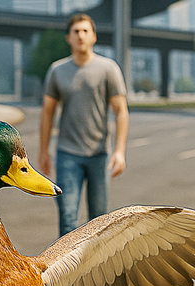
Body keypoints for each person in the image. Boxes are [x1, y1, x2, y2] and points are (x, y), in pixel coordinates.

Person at [39, 13, 129, 236]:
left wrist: (119, 151)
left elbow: (121, 111)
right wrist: (43, 151)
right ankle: (68, 272)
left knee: (99, 222)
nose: (80, 35)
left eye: (85, 31)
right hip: (67, 154)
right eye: (76, 31)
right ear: (68, 38)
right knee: (67, 218)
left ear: (94, 37)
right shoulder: (57, 70)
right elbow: (48, 112)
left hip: (99, 154)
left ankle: (95, 270)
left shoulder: (108, 69)